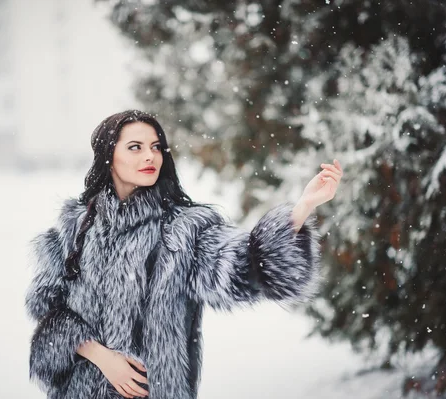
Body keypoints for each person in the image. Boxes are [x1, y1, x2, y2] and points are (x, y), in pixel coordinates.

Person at [25, 109, 343, 399]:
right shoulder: (75, 227)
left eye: (155, 147)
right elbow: (47, 311)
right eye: (135, 147)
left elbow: (243, 267)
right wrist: (101, 356)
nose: (150, 155)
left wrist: (302, 208)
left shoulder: (184, 229)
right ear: (109, 156)